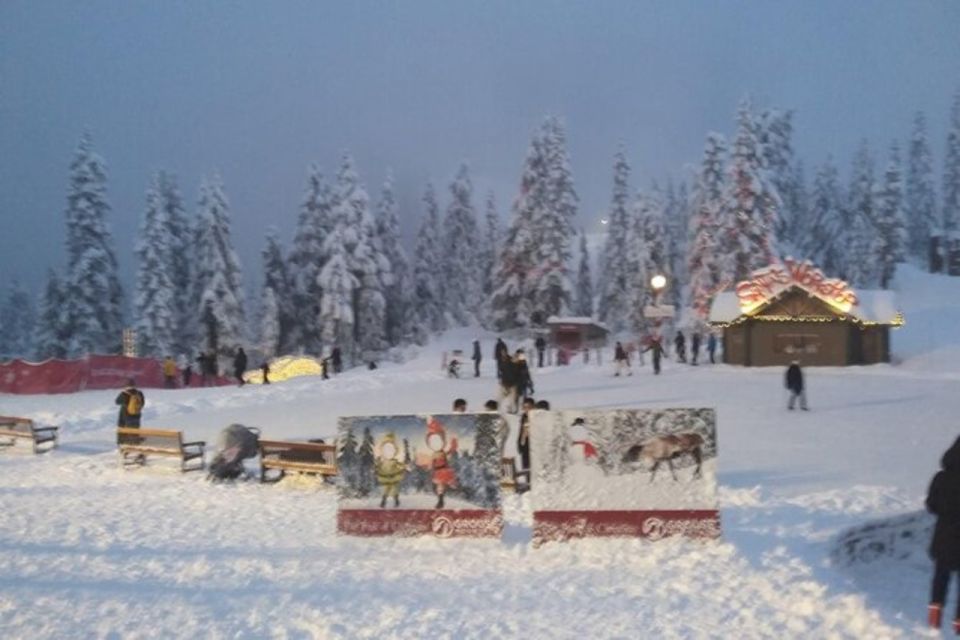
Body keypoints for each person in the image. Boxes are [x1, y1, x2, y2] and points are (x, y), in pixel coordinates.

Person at [926, 436, 960, 632]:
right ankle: (958, 626)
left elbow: (931, 506)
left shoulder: (941, 477)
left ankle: (934, 620)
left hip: (944, 536)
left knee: (940, 577)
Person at [517, 396, 536, 473]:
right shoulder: (523, 418)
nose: (526, 410)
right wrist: (519, 445)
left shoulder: (537, 417)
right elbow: (521, 432)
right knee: (526, 469)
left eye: (528, 407)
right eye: (524, 407)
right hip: (524, 447)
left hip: (533, 448)